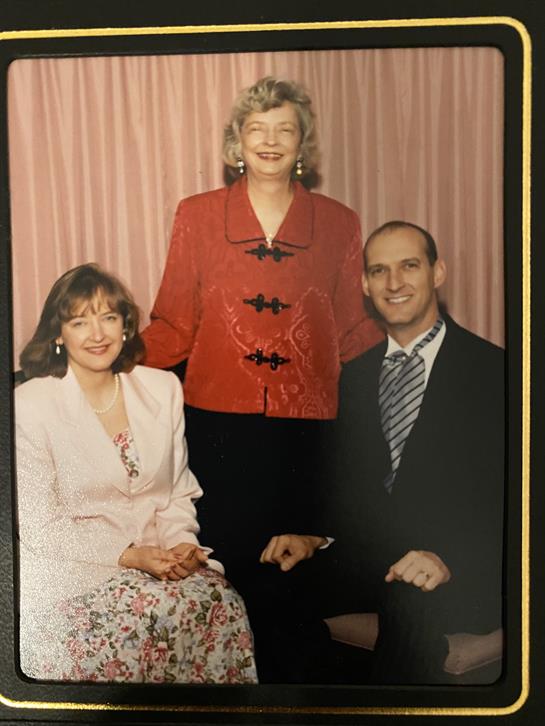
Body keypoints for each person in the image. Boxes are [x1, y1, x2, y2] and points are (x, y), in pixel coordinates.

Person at [140, 76, 383, 674]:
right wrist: (103, 360)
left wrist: (418, 364)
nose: (270, 141)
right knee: (233, 576)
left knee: (289, 575)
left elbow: (352, 330)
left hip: (308, 432)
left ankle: (295, 690)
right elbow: (174, 324)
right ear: (238, 141)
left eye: (285, 129)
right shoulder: (197, 215)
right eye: (258, 129)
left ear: (303, 143)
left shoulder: (340, 222)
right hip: (217, 428)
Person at [260, 220, 505, 684]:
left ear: (437, 273)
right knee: (270, 583)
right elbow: (344, 485)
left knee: (408, 605)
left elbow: (513, 500)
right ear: (365, 285)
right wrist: (314, 538)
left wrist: (449, 560)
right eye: (379, 271)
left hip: (461, 571)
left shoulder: (497, 372)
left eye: (409, 266)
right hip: (372, 562)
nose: (394, 283)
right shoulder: (353, 376)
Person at [15, 263, 257, 684]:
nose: (97, 334)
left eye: (109, 317)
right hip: (77, 572)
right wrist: (128, 556)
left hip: (159, 560)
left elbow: (177, 492)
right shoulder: (29, 405)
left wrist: (183, 545)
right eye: (79, 321)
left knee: (222, 599)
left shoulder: (162, 389)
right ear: (58, 334)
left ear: (126, 326)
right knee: (154, 611)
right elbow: (39, 524)